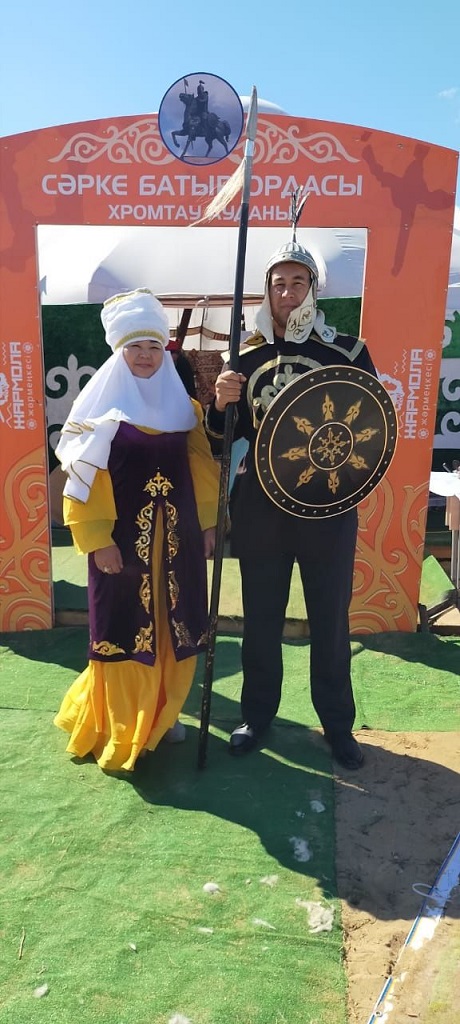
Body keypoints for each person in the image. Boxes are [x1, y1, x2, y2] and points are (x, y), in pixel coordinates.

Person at [206, 238, 377, 770]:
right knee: (261, 617)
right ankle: (256, 716)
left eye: (297, 282)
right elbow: (220, 439)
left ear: (312, 289)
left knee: (329, 619)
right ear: (267, 290)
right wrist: (220, 403)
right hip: (261, 508)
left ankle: (338, 725)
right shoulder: (244, 356)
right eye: (278, 283)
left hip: (328, 510)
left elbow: (370, 428)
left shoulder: (347, 352)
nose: (287, 292)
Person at [54, 288, 219, 773]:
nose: (145, 356)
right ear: (119, 351)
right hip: (122, 545)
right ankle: (123, 725)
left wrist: (209, 525)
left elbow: (200, 467)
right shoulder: (98, 411)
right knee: (124, 627)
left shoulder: (185, 409)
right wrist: (96, 540)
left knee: (175, 622)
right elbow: (84, 479)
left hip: (179, 542)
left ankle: (164, 714)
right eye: (135, 347)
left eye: (153, 346)